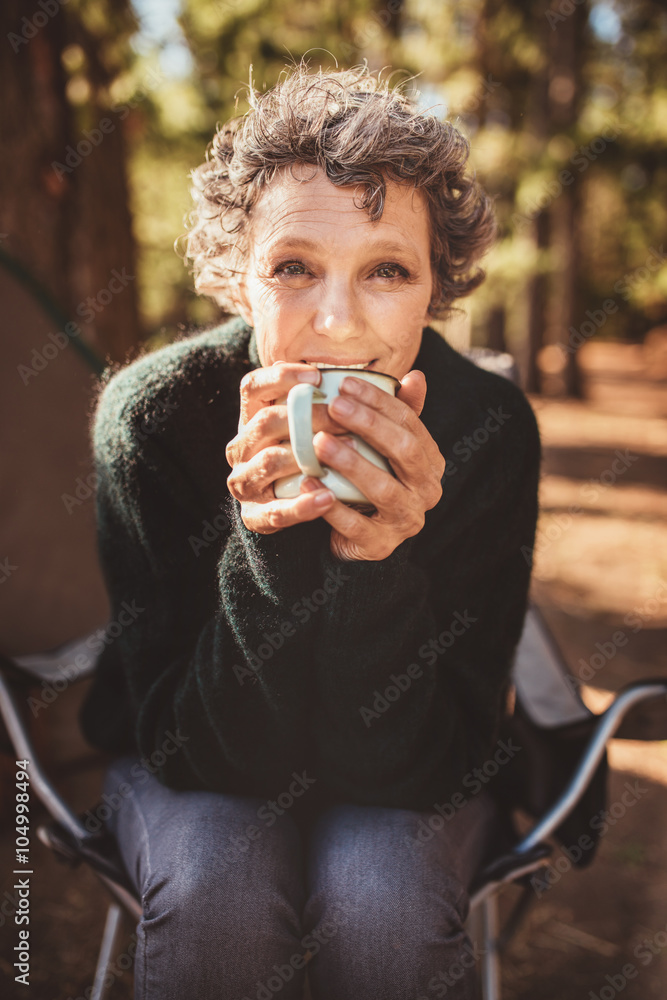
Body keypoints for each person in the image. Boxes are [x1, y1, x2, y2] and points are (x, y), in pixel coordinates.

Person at [79, 62, 541, 1000]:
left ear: (434, 288)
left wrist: (377, 560)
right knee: (220, 886)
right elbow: (197, 752)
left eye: (386, 271)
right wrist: (272, 538)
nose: (334, 323)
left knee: (381, 896)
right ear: (237, 280)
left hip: (412, 774)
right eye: (293, 267)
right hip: (193, 760)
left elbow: (428, 764)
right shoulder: (152, 419)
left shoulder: (489, 428)